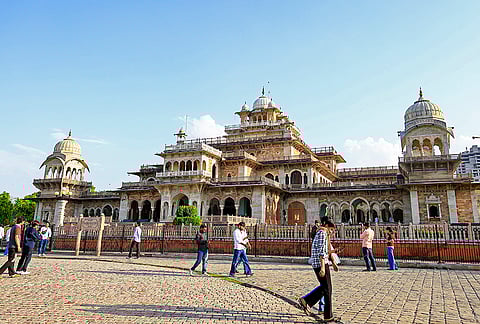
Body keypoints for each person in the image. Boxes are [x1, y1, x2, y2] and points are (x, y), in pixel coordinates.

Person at [298, 220, 339, 322]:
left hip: (323, 263)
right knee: (327, 289)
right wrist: (322, 268)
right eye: (331, 229)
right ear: (326, 226)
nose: (332, 232)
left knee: (326, 288)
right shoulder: (322, 233)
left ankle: (307, 301)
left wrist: (333, 262)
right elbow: (321, 251)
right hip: (320, 264)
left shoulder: (324, 234)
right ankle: (327, 316)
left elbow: (326, 250)